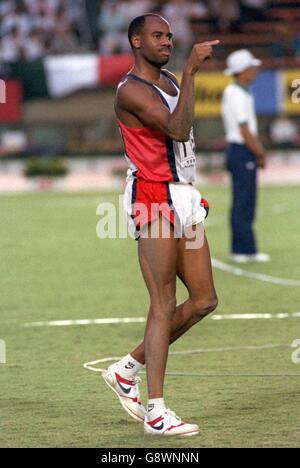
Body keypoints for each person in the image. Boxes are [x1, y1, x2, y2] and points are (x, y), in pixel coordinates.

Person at [102, 14, 219, 437]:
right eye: (158, 35)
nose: (167, 41)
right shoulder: (131, 90)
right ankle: (156, 412)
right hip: (153, 195)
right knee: (164, 302)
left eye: (169, 35)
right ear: (136, 41)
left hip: (185, 193)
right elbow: (178, 126)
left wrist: (183, 75)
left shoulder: (169, 79)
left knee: (204, 299)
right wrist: (191, 71)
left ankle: (126, 369)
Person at [222, 49, 270, 263]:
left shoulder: (239, 91)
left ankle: (244, 247)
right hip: (242, 150)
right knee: (244, 201)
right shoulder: (237, 93)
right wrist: (259, 151)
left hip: (241, 150)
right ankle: (243, 249)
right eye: (252, 67)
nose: (256, 70)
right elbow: (244, 129)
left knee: (245, 200)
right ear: (242, 71)